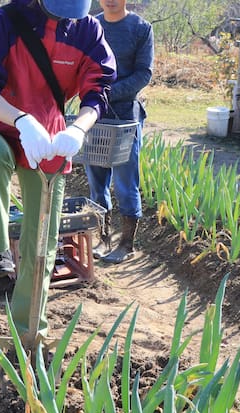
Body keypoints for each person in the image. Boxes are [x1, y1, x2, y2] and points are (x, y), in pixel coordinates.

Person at [0, 0, 116, 340]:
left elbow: (99, 89)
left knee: (42, 240)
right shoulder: (5, 21)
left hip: (48, 136)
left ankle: (29, 332)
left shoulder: (87, 29)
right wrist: (20, 120)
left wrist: (78, 128)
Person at [85, 0, 153, 264]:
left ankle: (127, 243)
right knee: (96, 180)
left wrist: (107, 93)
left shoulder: (140, 28)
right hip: (93, 114)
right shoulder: (91, 25)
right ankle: (102, 238)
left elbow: (143, 74)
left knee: (126, 182)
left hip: (125, 116)